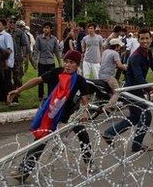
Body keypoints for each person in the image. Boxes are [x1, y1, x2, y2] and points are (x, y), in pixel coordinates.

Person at [8, 50, 94, 182]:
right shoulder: (56, 72)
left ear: (77, 65)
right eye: (66, 61)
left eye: (71, 63)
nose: (67, 65)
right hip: (51, 112)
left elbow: (85, 99)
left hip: (69, 113)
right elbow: (38, 80)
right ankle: (24, 171)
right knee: (40, 140)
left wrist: (84, 111)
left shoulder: (79, 80)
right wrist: (19, 90)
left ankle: (89, 162)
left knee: (82, 134)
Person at [102, 28, 153, 152]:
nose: (145, 41)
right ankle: (135, 144)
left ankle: (110, 133)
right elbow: (139, 78)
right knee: (146, 116)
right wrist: (150, 89)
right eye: (142, 39)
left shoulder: (148, 53)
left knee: (135, 117)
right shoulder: (135, 57)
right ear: (138, 40)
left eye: (147, 38)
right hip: (131, 90)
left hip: (136, 90)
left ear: (151, 39)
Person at [34, 22, 62, 101]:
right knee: (40, 79)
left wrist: (60, 62)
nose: (45, 29)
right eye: (44, 28)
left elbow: (56, 51)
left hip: (51, 62)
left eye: (47, 28)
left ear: (50, 29)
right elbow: (36, 50)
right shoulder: (39, 38)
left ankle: (50, 95)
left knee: (52, 80)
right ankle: (40, 96)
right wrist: (35, 61)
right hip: (42, 62)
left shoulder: (54, 39)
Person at [98, 38, 127, 111]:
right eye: (119, 46)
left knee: (116, 83)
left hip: (101, 74)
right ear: (116, 46)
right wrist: (127, 68)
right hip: (108, 76)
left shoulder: (105, 51)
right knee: (117, 91)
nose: (120, 48)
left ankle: (111, 102)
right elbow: (120, 65)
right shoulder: (115, 53)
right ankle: (106, 107)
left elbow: (103, 62)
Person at [7, 17, 29, 107]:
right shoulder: (5, 33)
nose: (11, 24)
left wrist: (24, 56)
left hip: (17, 58)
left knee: (18, 76)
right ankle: (10, 93)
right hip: (8, 58)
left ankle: (17, 91)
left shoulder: (20, 32)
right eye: (10, 22)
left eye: (13, 22)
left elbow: (24, 45)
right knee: (8, 77)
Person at [0, 19, 14, 104]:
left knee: (7, 82)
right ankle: (2, 98)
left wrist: (6, 63)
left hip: (5, 63)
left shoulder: (7, 36)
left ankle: (11, 99)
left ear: (4, 26)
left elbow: (9, 50)